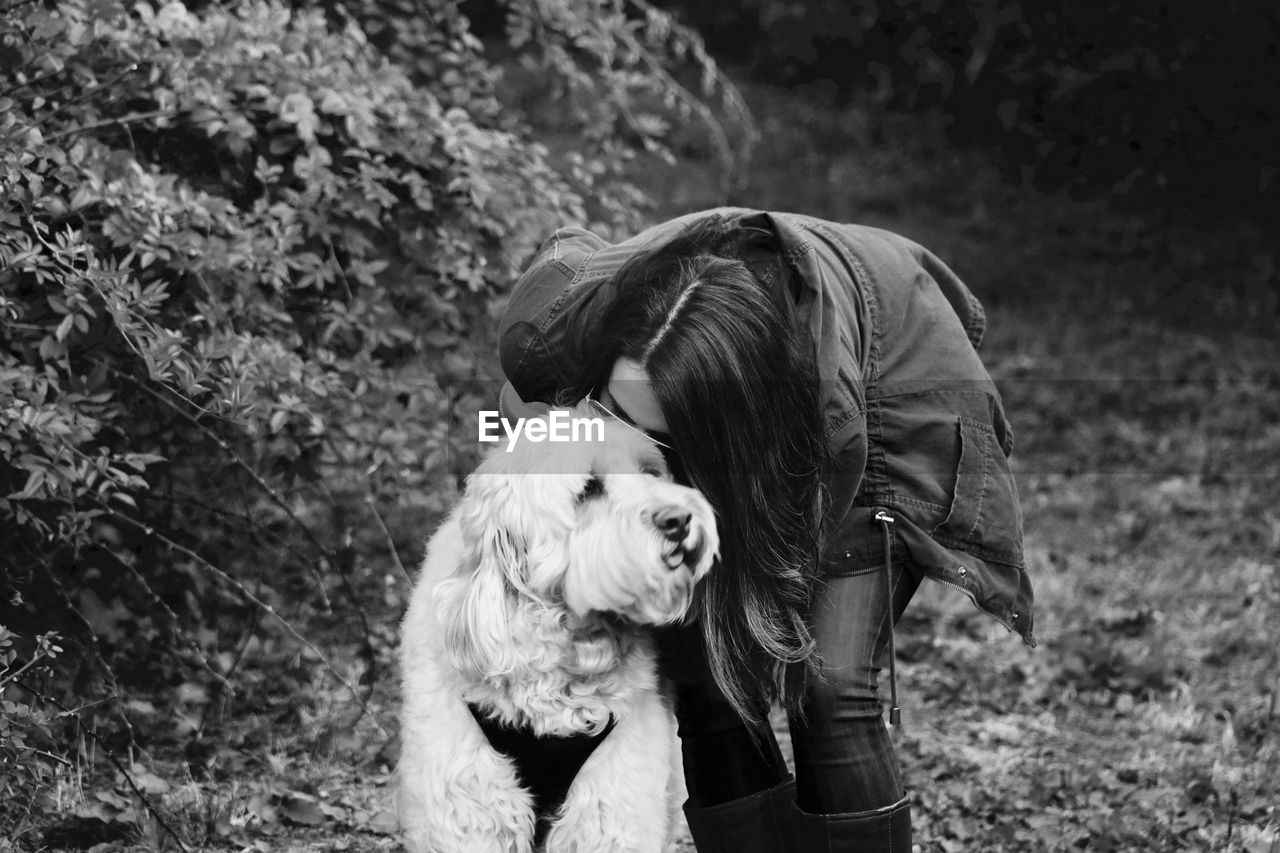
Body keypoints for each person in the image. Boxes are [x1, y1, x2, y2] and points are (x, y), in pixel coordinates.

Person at [495, 209, 1034, 851]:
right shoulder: (550, 336)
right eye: (617, 413)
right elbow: (520, 426)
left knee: (828, 688)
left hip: (886, 388)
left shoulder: (819, 414)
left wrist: (740, 605)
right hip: (734, 403)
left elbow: (781, 566)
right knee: (704, 679)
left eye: (661, 437)